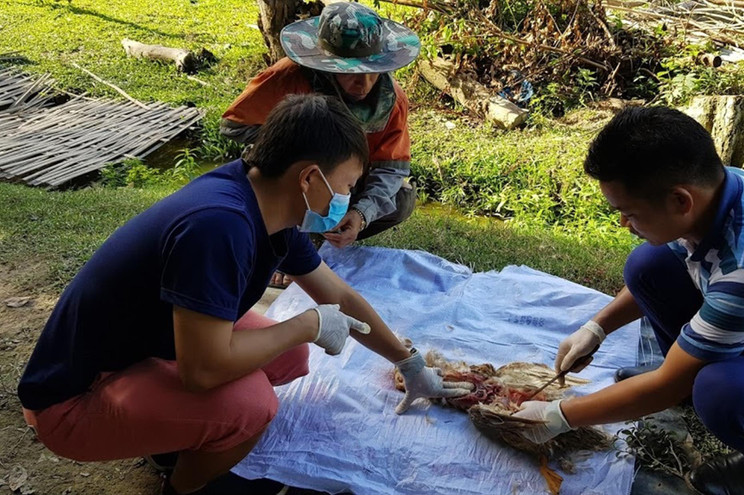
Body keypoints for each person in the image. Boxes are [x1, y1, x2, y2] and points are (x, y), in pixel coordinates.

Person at [17, 94, 471, 495]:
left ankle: (172, 434)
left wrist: (407, 363)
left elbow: (341, 298)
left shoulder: (267, 202)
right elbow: (203, 371)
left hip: (143, 348)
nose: (348, 199)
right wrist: (305, 325)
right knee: (252, 406)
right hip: (71, 402)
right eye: (348, 186)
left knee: (289, 359)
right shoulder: (218, 227)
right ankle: (181, 485)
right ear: (310, 177)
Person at [513, 107, 744, 495]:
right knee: (647, 264)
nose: (624, 223)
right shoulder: (721, 188)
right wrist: (597, 327)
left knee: (719, 388)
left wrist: (556, 416)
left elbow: (664, 388)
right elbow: (664, 267)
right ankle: (690, 374)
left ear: (680, 200)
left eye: (629, 213)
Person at [221, 3, 419, 290]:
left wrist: (361, 214)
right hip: (292, 180)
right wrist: (297, 139)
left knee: (401, 200)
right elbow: (234, 125)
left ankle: (318, 237)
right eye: (350, 71)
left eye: (371, 70)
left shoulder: (392, 101)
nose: (362, 83)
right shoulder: (289, 77)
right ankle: (279, 245)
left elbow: (391, 168)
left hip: (344, 186)